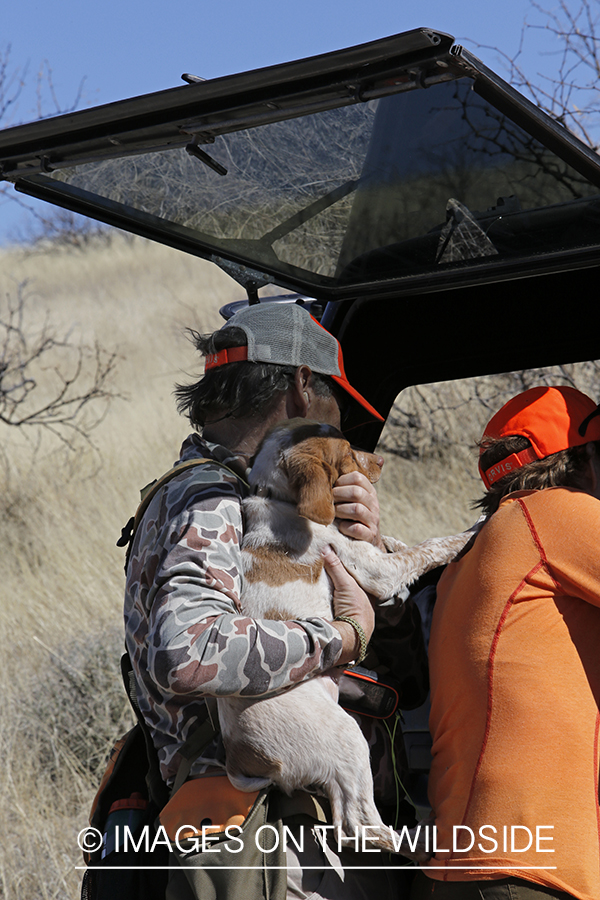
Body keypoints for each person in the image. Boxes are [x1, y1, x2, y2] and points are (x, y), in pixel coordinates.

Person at [124, 302, 428, 900]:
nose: (341, 423)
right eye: (338, 401)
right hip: (268, 840)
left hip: (272, 819)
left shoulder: (229, 492)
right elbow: (186, 651)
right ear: (300, 384)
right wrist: (340, 639)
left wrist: (356, 546)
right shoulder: (212, 499)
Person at [411, 385, 600, 900]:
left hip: (474, 861)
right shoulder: (553, 515)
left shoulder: (477, 551)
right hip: (525, 868)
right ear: (583, 459)